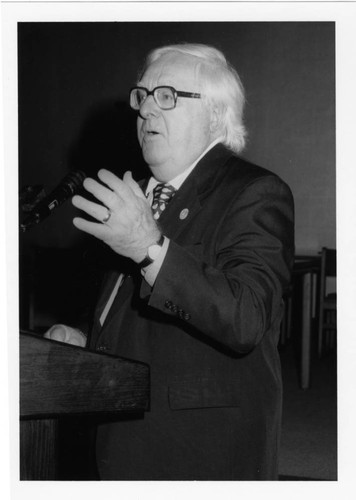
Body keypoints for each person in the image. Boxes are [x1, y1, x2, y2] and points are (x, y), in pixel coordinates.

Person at [45, 43, 294, 480]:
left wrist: (149, 245)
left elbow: (247, 318)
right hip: (116, 430)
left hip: (198, 447)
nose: (144, 111)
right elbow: (128, 316)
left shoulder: (255, 192)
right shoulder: (134, 192)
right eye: (142, 95)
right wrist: (83, 337)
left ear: (215, 116)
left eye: (167, 96)